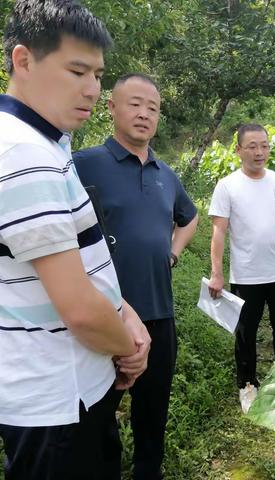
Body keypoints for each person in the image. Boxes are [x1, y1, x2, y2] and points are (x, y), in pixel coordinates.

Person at [0, 1, 151, 480]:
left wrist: (125, 311)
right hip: (54, 405)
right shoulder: (23, 152)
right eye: (77, 71)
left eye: (98, 74)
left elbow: (81, 265)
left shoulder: (48, 143)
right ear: (23, 60)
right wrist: (127, 344)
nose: (92, 89)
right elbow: (81, 310)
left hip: (72, 391)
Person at [73, 73, 199, 480]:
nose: (144, 114)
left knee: (153, 410)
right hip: (101, 315)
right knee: (94, 417)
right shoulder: (83, 164)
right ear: (111, 107)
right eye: (135, 104)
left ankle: (149, 472)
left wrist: (173, 253)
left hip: (159, 313)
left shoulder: (166, 174)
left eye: (153, 107)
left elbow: (190, 217)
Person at [208, 123, 275, 413]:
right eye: (252, 146)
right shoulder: (227, 185)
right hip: (246, 275)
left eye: (264, 145)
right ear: (239, 149)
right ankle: (247, 384)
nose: (259, 152)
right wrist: (217, 273)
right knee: (246, 333)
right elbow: (219, 232)